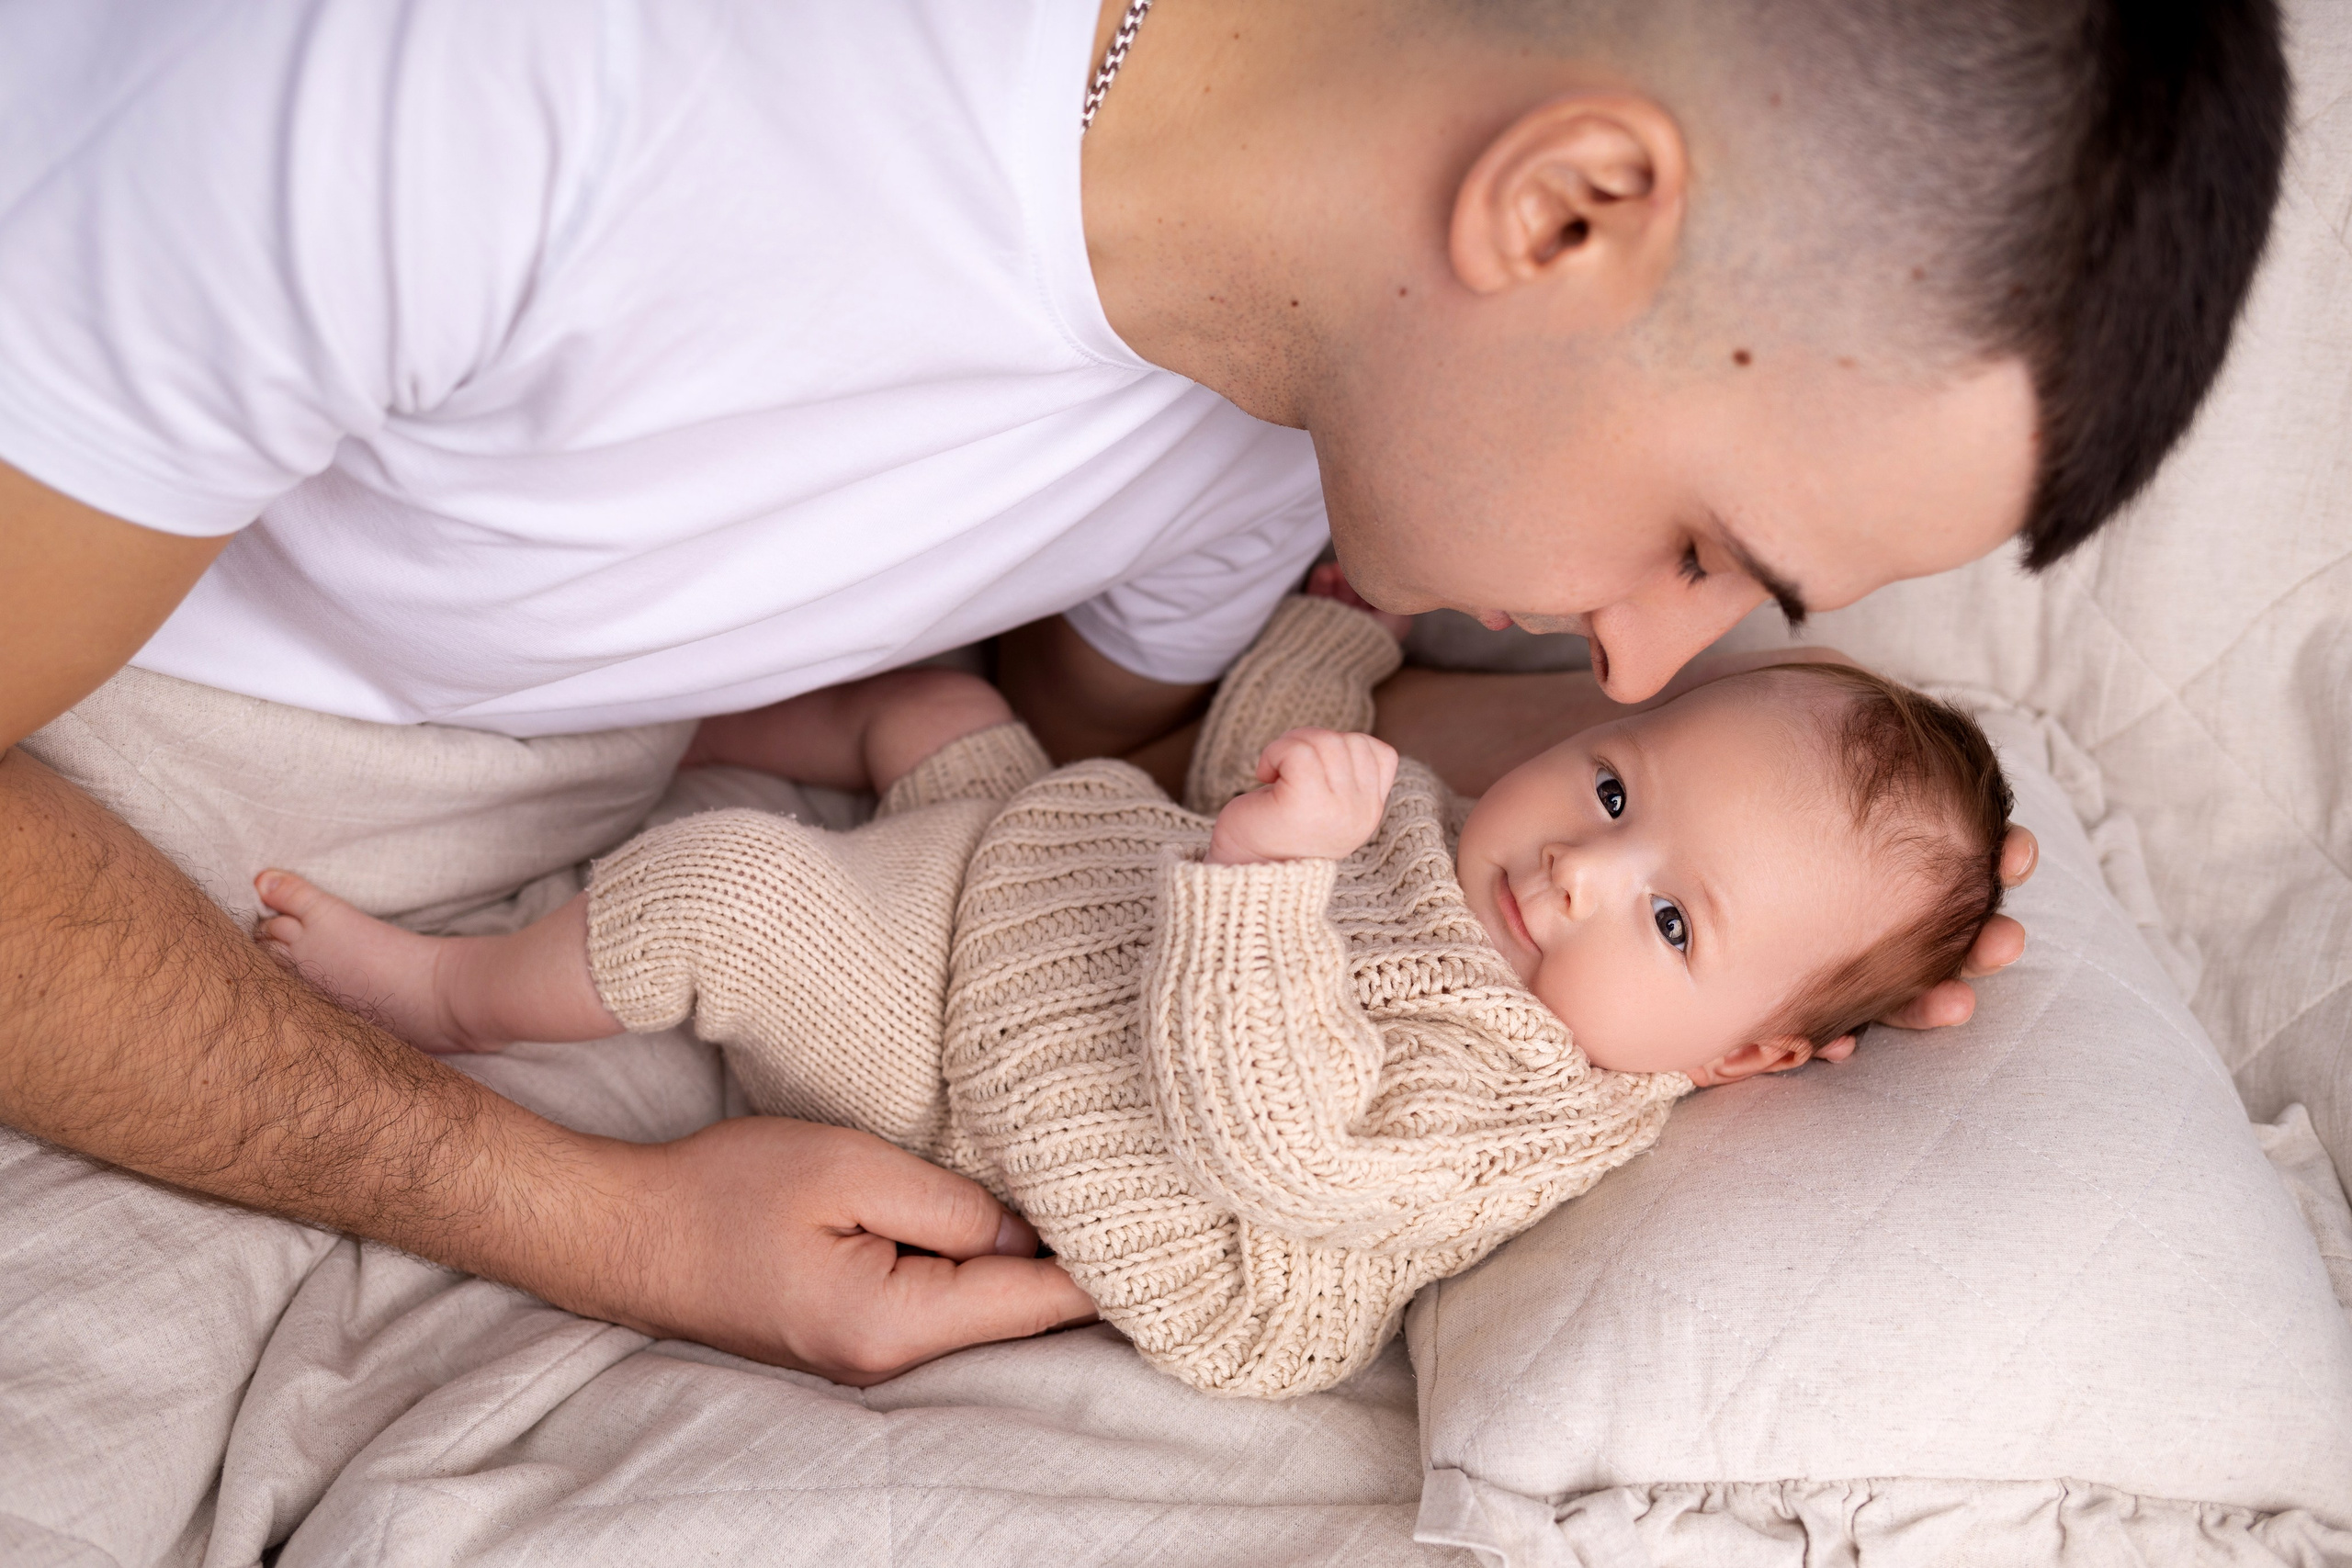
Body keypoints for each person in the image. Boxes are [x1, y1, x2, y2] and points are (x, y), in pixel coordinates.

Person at [0, 0, 2287, 1388]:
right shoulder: (506, 81)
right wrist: (591, 1221)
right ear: (1569, 208)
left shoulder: (1302, 429)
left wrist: (1728, 877)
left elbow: (1117, 775)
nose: (1636, 651)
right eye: (1703, 548)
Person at [249, 587, 2012, 1397]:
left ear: (1756, 1056)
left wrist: (1263, 887)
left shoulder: (1533, 1104)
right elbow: (1259, 771)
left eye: (1677, 926)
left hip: (1008, 1090)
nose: (1576, 876)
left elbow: (1288, 1143)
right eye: (1618, 790)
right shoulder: (1489, 854)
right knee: (924, 702)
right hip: (1049, 887)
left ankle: (447, 991)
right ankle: (634, 713)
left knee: (735, 902)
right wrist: (1335, 646)